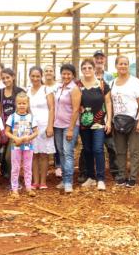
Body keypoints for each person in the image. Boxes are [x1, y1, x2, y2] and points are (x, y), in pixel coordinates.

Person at [110, 56, 139, 188]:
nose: (123, 66)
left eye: (125, 64)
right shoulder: (113, 83)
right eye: (120, 64)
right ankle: (121, 175)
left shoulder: (135, 82)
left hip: (133, 120)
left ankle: (133, 176)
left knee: (135, 150)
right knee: (120, 150)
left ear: (128, 66)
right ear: (116, 66)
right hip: (118, 121)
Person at [78, 58, 112, 191]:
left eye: (89, 68)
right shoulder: (78, 85)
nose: (87, 70)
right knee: (87, 150)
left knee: (98, 149)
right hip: (84, 124)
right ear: (81, 70)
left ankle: (101, 178)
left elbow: (108, 103)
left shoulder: (102, 85)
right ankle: (91, 177)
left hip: (99, 123)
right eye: (84, 68)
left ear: (94, 69)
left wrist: (109, 120)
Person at [54, 64, 81, 193]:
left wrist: (70, 128)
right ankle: (64, 180)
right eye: (64, 73)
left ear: (73, 75)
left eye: (68, 74)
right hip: (57, 125)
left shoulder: (74, 89)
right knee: (61, 152)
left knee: (68, 152)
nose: (66, 76)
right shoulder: (59, 87)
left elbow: (76, 110)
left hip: (69, 125)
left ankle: (69, 182)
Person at [5, 92, 38, 198]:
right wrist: (15, 138)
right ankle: (14, 189)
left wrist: (29, 138)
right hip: (16, 146)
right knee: (15, 167)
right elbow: (7, 131)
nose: (22, 105)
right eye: (19, 103)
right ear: (16, 104)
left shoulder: (31, 117)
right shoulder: (12, 117)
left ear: (27, 104)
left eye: (24, 103)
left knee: (28, 167)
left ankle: (28, 187)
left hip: (28, 146)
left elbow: (36, 132)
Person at [27, 66, 55, 189]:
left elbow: (52, 108)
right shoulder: (27, 91)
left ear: (41, 76)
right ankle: (35, 181)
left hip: (44, 125)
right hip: (32, 126)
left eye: (38, 76)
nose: (35, 78)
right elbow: (26, 110)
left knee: (44, 154)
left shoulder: (46, 90)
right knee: (33, 154)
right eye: (33, 76)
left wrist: (50, 126)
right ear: (30, 77)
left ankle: (43, 181)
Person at [0, 68, 25, 178]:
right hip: (3, 127)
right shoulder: (0, 92)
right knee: (2, 153)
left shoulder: (20, 92)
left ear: (13, 77)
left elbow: (24, 109)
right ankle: (7, 175)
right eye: (3, 78)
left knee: (11, 155)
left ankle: (14, 179)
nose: (5, 80)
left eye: (8, 77)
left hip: (16, 127)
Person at [93, 50, 118, 181]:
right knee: (90, 147)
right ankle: (87, 172)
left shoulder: (110, 77)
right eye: (97, 58)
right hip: (92, 117)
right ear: (93, 60)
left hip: (107, 115)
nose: (99, 60)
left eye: (101, 58)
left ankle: (115, 171)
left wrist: (110, 117)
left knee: (111, 145)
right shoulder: (88, 76)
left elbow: (112, 97)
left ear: (105, 60)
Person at [44, 65, 62, 178]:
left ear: (54, 73)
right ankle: (44, 167)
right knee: (44, 143)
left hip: (59, 117)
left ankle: (58, 166)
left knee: (57, 143)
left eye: (51, 70)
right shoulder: (42, 87)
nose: (49, 72)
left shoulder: (59, 86)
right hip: (45, 118)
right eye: (46, 71)